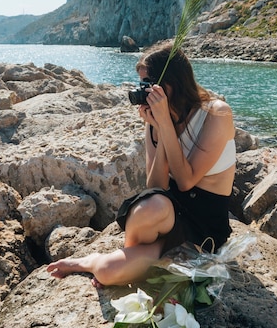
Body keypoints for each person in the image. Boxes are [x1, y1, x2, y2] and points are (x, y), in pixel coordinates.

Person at [47, 43, 236, 287]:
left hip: (205, 228)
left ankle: (93, 260)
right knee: (150, 205)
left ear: (172, 83)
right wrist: (159, 127)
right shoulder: (156, 121)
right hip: (167, 214)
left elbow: (186, 181)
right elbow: (155, 185)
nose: (143, 92)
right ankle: (134, 256)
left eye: (148, 85)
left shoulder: (215, 113)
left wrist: (165, 124)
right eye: (142, 85)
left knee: (107, 271)